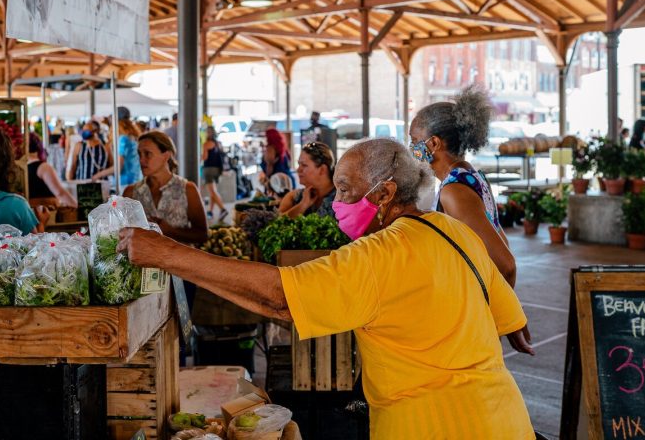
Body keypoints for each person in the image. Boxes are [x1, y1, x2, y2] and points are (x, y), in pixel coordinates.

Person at [118, 138, 534, 439]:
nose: (337, 202)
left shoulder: (380, 253)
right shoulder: (451, 231)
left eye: (346, 190)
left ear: (385, 193)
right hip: (505, 418)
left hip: (430, 426)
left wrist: (167, 254)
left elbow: (281, 297)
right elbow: (511, 320)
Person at [410, 85, 517, 288]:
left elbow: (506, 265)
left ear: (433, 144)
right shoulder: (471, 176)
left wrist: (499, 312)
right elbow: (500, 239)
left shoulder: (454, 191)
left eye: (414, 140)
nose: (411, 148)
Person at [123, 131, 208, 245]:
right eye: (139, 154)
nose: (141, 160)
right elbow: (121, 232)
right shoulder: (130, 192)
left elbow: (202, 235)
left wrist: (170, 231)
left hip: (178, 262)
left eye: (148, 154)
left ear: (166, 155)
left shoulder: (187, 190)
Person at [278, 141, 338, 218]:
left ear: (322, 169)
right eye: (299, 164)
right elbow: (275, 226)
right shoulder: (293, 198)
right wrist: (302, 205)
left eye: (304, 165)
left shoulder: (345, 199)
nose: (298, 170)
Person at [93, 107, 142, 187]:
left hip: (124, 184)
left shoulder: (123, 139)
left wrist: (97, 175)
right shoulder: (133, 137)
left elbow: (118, 167)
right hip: (136, 180)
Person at [27, 132, 77, 209]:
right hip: (46, 215)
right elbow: (60, 193)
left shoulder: (21, 168)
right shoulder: (43, 167)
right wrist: (76, 206)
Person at [201, 126, 228, 222]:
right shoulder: (218, 144)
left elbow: (204, 158)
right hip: (217, 170)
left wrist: (200, 155)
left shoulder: (206, 144)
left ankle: (223, 209)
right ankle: (210, 211)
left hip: (209, 169)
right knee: (213, 191)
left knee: (212, 191)